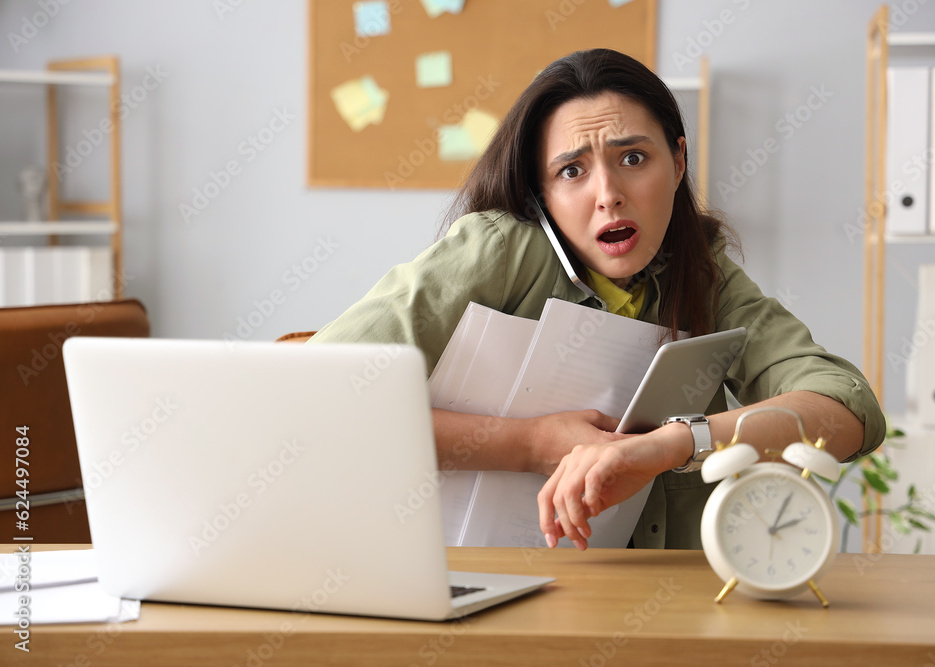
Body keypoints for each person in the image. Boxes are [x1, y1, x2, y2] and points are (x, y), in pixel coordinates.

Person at [308, 48, 886, 551]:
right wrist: (529, 444)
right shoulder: (497, 251)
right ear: (542, 193)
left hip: (659, 611)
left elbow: (848, 410)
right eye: (571, 171)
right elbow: (315, 396)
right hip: (473, 594)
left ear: (678, 162)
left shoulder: (703, 276)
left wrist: (674, 444)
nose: (608, 195)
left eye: (633, 158)